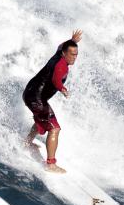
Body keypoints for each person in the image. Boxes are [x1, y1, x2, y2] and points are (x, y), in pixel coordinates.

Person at [23, 29, 83, 173]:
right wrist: (62, 89)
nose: (74, 58)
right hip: (36, 99)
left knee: (41, 119)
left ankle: (27, 143)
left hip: (30, 93)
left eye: (76, 55)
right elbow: (56, 79)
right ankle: (51, 164)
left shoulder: (59, 52)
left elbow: (61, 45)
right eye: (72, 54)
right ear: (64, 53)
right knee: (54, 128)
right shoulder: (61, 66)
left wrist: (72, 40)